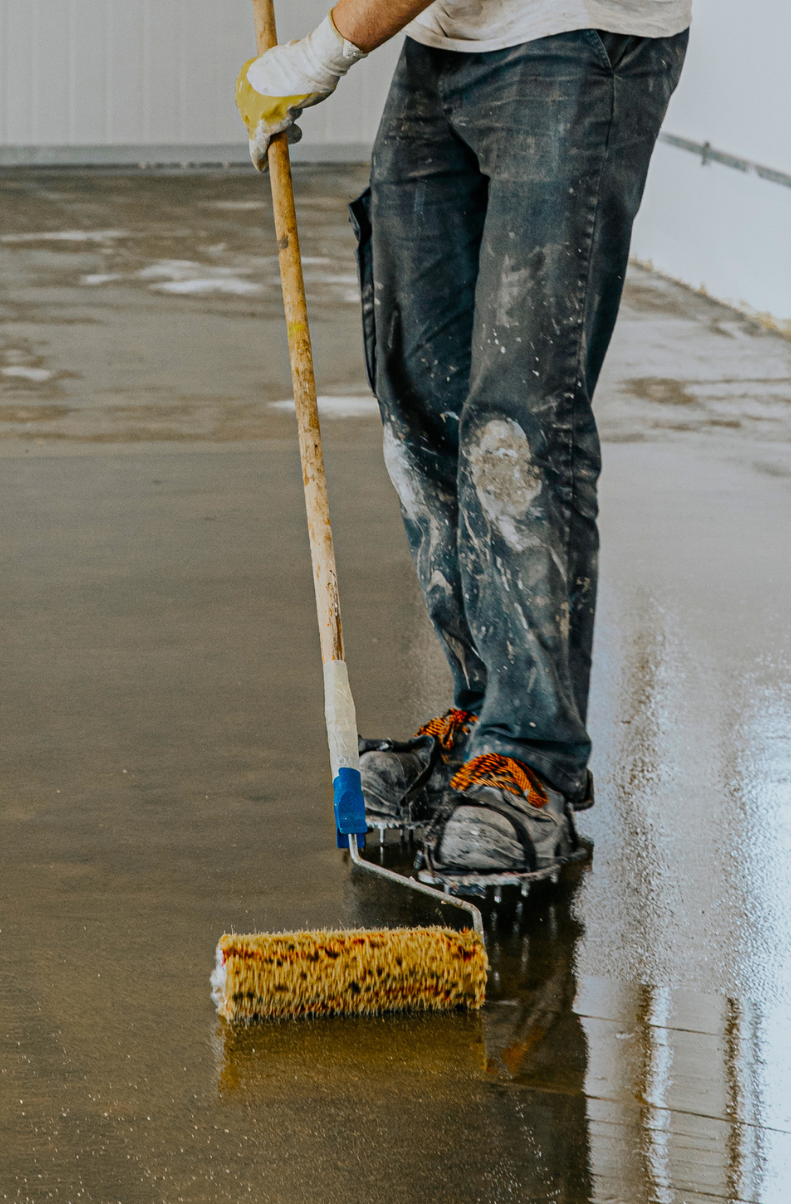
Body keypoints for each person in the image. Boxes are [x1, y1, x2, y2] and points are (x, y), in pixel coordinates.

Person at [236, 0, 688, 876]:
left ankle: (530, 764)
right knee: (422, 397)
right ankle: (483, 719)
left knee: (518, 425)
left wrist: (320, 54)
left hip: (580, 34)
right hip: (449, 34)